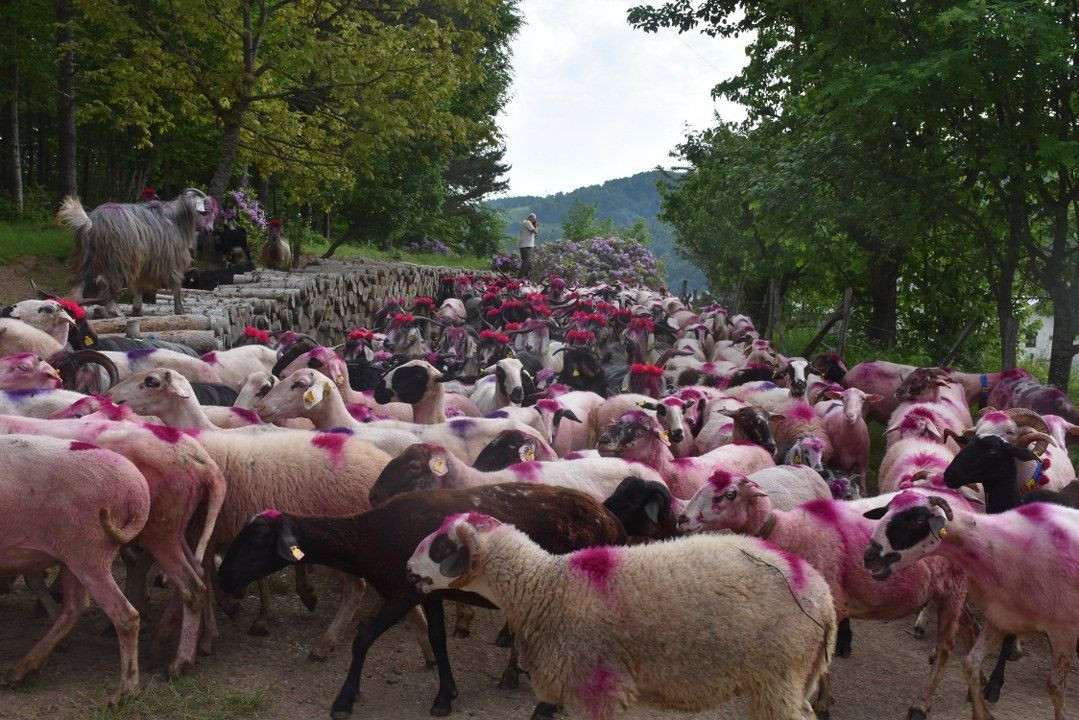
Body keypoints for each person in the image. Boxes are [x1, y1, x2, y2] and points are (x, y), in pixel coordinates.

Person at [518, 212, 538, 278]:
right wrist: (537, 226)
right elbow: (535, 232)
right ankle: (520, 277)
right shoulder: (527, 222)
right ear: (531, 218)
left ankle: (527, 277)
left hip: (525, 246)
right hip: (526, 246)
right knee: (526, 262)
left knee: (528, 263)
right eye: (534, 219)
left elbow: (532, 236)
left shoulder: (525, 223)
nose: (534, 221)